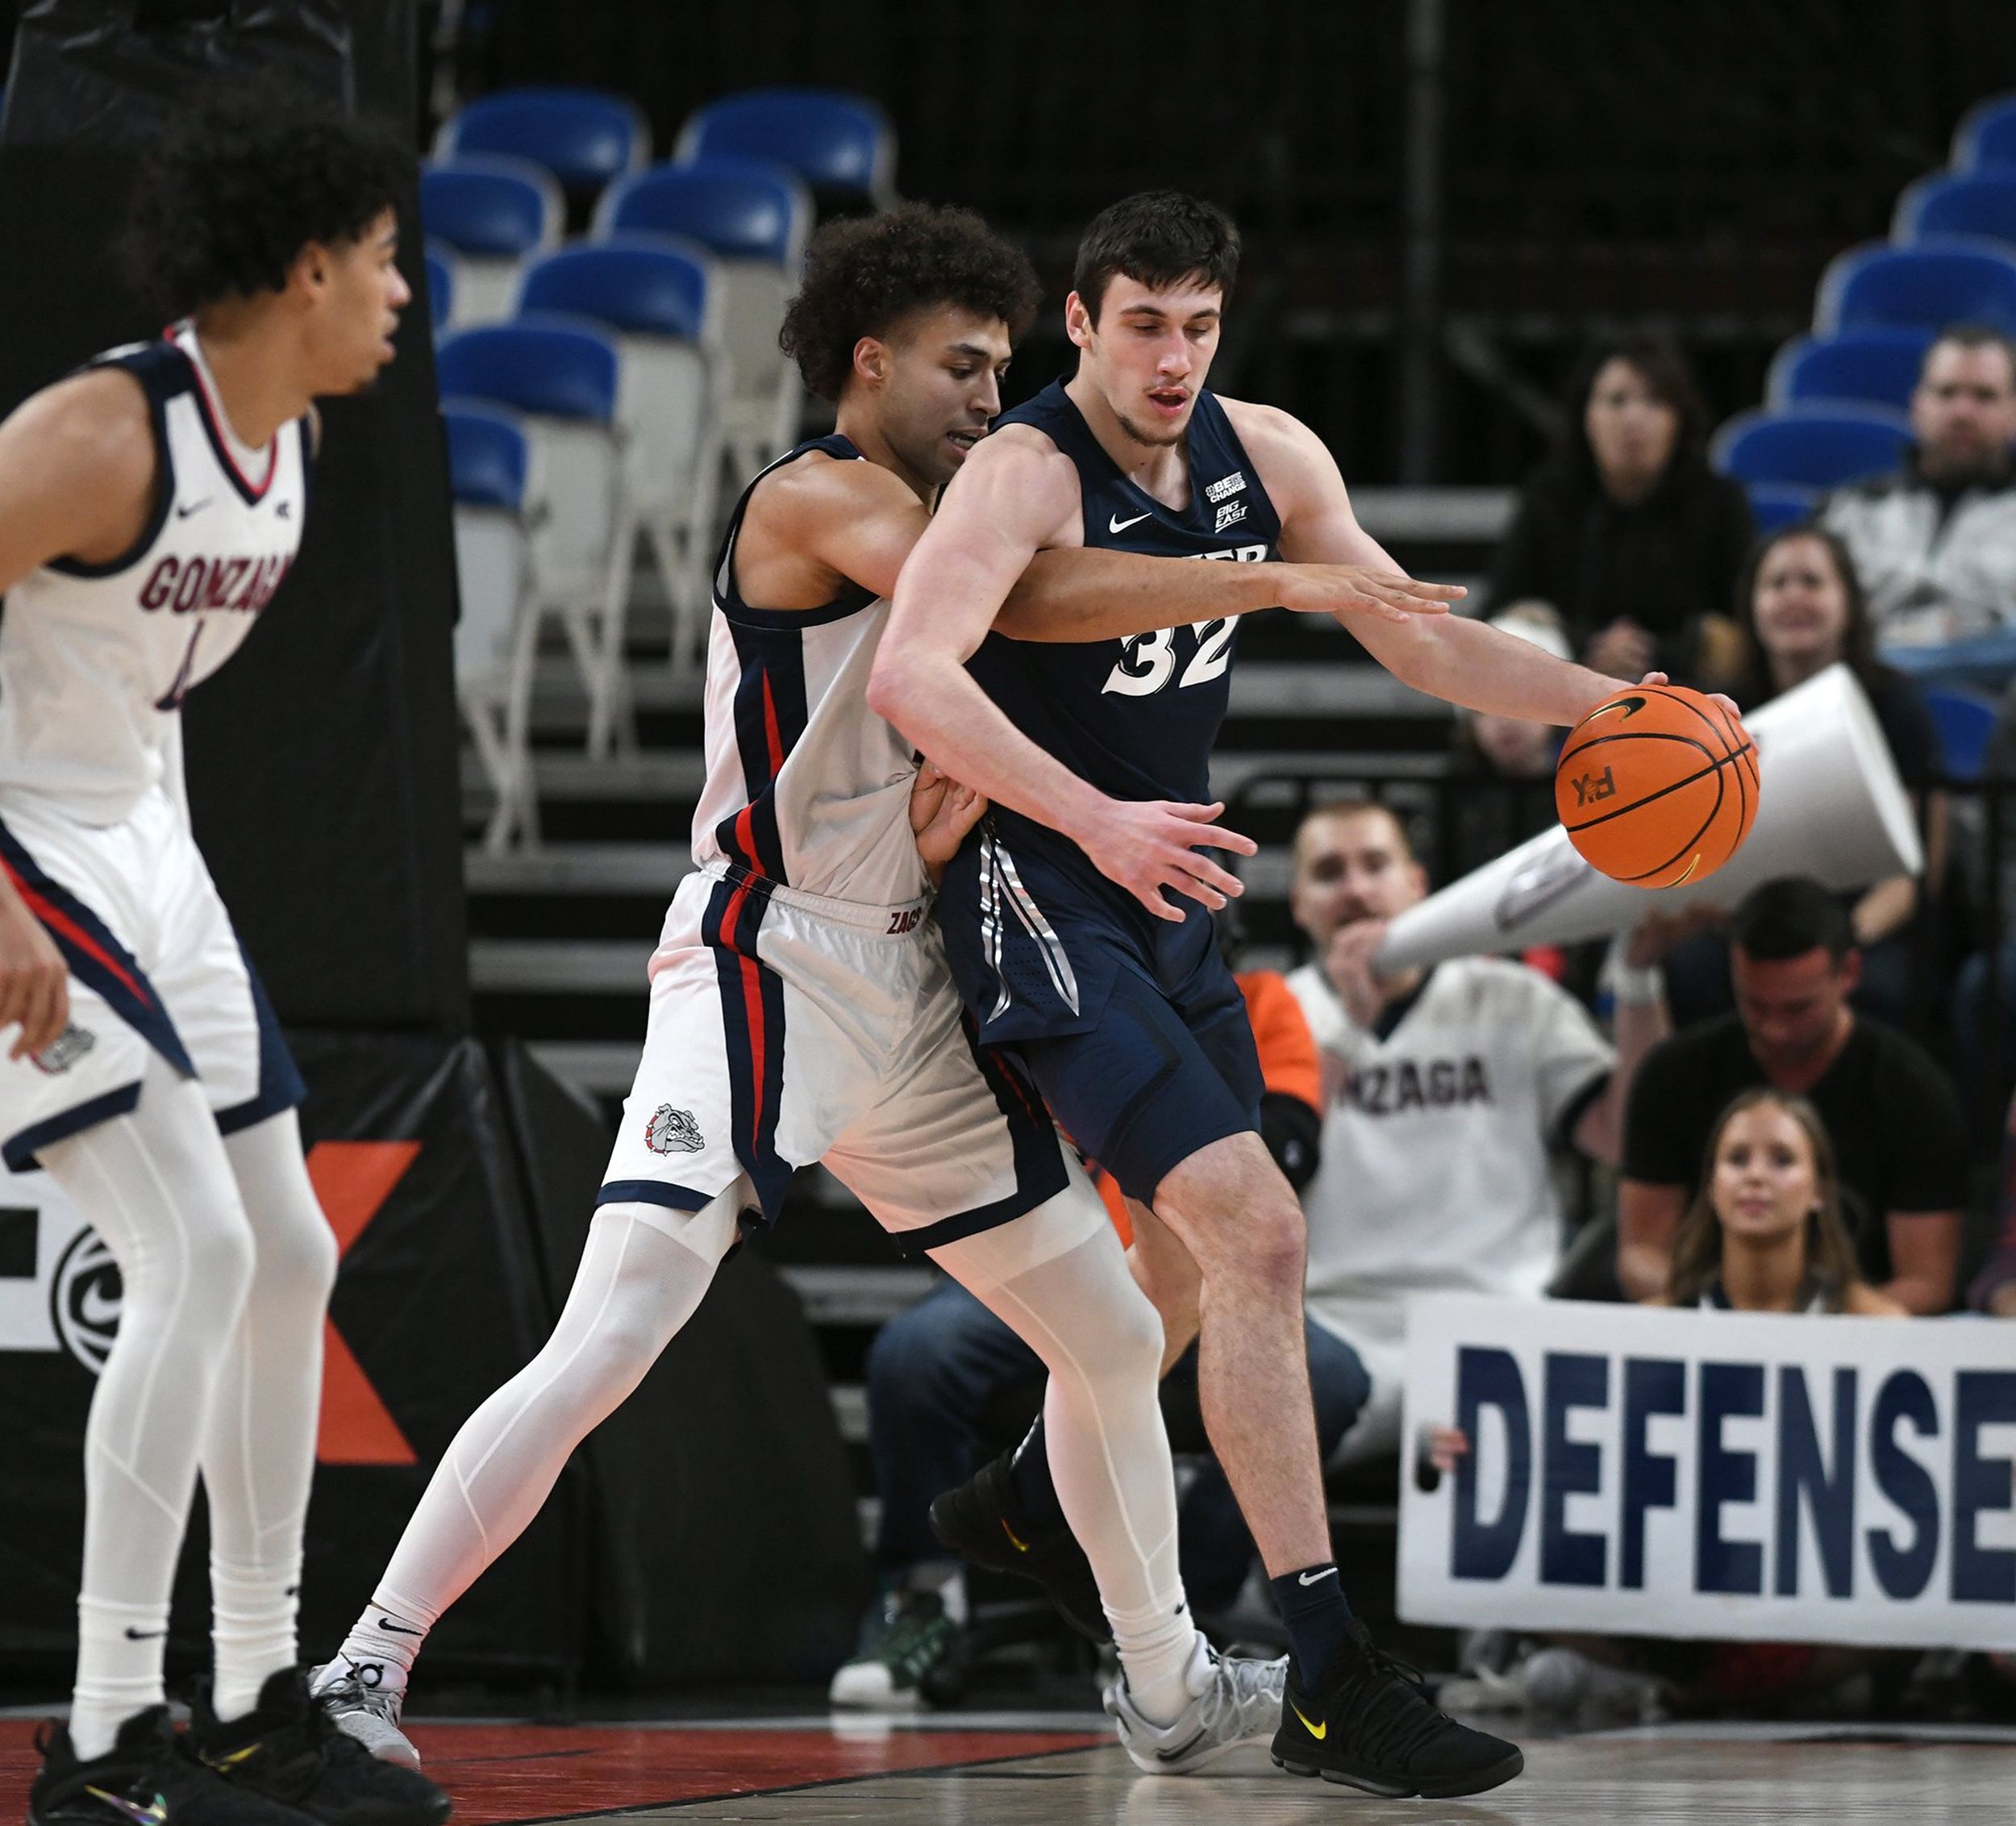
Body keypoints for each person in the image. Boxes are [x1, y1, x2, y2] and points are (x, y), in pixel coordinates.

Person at [311, 203, 1453, 1783]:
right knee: (619, 1325)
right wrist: (1254, 579)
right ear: (869, 361)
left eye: (1002, 367)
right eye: (961, 366)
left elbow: (960, 728)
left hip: (904, 980)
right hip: (759, 959)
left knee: (1116, 1338)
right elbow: (1027, 604)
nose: (992, 398)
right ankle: (362, 1667)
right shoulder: (819, 494)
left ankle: (1166, 1682)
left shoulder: (970, 503)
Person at [869, 189, 1689, 1799]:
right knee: (1261, 1231)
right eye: (1142, 325)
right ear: (1081, 324)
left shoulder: (1273, 457)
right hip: (1039, 889)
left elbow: (1423, 642)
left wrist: (1621, 706)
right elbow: (911, 670)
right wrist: (1086, 813)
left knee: (1173, 1288)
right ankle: (1327, 1666)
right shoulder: (1024, 472)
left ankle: (1038, 1487)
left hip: (1167, 901)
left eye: (1199, 325)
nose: (1172, 358)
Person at [0, 85, 447, 1826]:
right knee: (184, 1250)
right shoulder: (106, 431)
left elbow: (133, 691)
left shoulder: (292, 452)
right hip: (26, 860)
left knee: (287, 1252)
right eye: (392, 263)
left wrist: (166, 891)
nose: (407, 296)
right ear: (314, 265)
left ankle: (257, 1692)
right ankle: (106, 1733)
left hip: (140, 854)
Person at [829, 944, 1358, 1711]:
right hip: (1048, 1266)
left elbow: (1284, 1156)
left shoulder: (1257, 999)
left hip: (1198, 1281)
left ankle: (1192, 1583)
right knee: (916, 1356)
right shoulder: (1036, 967)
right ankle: (923, 1596)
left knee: (1334, 1378)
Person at [1435, 1089, 1906, 1721]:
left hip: (1806, 1606)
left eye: (1782, 1159)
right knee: (1501, 1569)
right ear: (1711, 1186)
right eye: (1737, 1158)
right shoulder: (1652, 1328)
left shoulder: (1878, 1325)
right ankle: (1726, 1694)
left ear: (1819, 1188)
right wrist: (1461, 1450)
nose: (1757, 1175)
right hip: (1673, 1605)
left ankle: (1655, 1694)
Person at [1285, 797, 1669, 1465]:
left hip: (1501, 1325)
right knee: (1248, 1388)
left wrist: (1636, 983)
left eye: (1375, 865)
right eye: (1329, 872)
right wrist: (1347, 1027)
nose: (1354, 887)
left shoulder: (1512, 998)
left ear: (1418, 884)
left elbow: (1625, 1140)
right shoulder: (1276, 1010)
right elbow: (1264, 1170)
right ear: (1298, 904)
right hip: (1334, 1333)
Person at [1618, 877, 1965, 1313]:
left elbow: (1927, 1283)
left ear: (1850, 973)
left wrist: (1810, 1328)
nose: (1774, 1028)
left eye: (1798, 1008)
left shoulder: (1915, 1093)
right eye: (1755, 1004)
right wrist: (1720, 1310)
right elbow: (1639, 1254)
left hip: (1849, 1347)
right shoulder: (1673, 1074)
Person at [1664, 523, 1941, 1030]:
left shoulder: (1897, 708)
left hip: (1867, 925)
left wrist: (1845, 940)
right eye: (1777, 583)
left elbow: (1920, 866)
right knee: (1690, 970)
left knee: (1882, 987)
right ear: (1751, 606)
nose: (1794, 596)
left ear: (1849, 603)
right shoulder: (1721, 710)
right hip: (1751, 922)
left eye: (1812, 582)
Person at [1483, 338, 1753, 688]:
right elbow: (1501, 610)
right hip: (1565, 692)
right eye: (1616, 400)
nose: (1633, 418)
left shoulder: (1720, 500)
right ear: (1586, 415)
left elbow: (1746, 623)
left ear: (1679, 418)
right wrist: (1587, 647)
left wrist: (1656, 652)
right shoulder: (1549, 497)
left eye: (1655, 401)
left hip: (1694, 695)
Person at [1819, 323, 2016, 648]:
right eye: (1947, 392)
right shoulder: (1849, 510)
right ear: (1917, 406)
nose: (1962, 412)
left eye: (1984, 396)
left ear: (2013, 413)